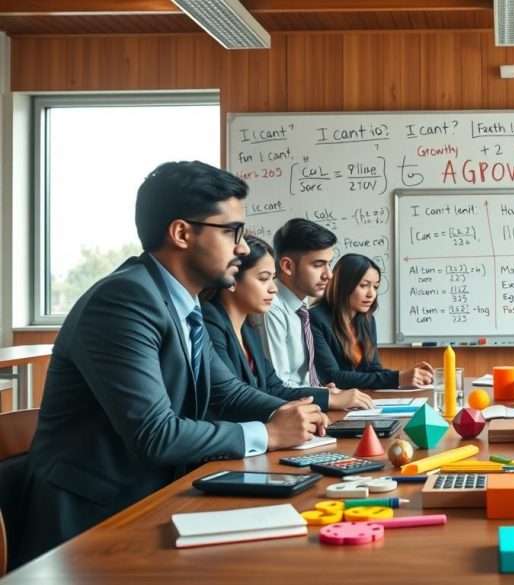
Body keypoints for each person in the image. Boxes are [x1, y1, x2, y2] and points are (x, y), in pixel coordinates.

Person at [22, 161, 328, 560]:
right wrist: (270, 434)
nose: (241, 246)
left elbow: (226, 390)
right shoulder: (123, 301)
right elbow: (156, 433)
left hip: (155, 497)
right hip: (95, 524)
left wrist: (297, 415)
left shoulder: (181, 299)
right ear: (182, 233)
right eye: (232, 231)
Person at [201, 235, 374, 411]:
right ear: (231, 279)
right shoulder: (210, 323)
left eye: (272, 278)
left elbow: (274, 389)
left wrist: (326, 397)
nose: (273, 288)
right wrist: (327, 400)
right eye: (263, 278)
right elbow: (232, 398)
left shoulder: (248, 329)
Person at [310, 253, 433, 389]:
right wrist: (397, 378)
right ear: (343, 285)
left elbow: (372, 369)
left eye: (375, 287)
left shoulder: (367, 320)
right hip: (333, 403)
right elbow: (332, 377)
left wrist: (405, 375)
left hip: (361, 400)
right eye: (363, 285)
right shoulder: (315, 319)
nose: (371, 294)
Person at [255, 218, 336, 387]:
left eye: (329, 264)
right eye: (318, 265)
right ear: (287, 266)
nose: (328, 275)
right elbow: (279, 385)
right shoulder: (271, 308)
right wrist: (323, 397)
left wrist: (322, 391)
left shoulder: (301, 307)